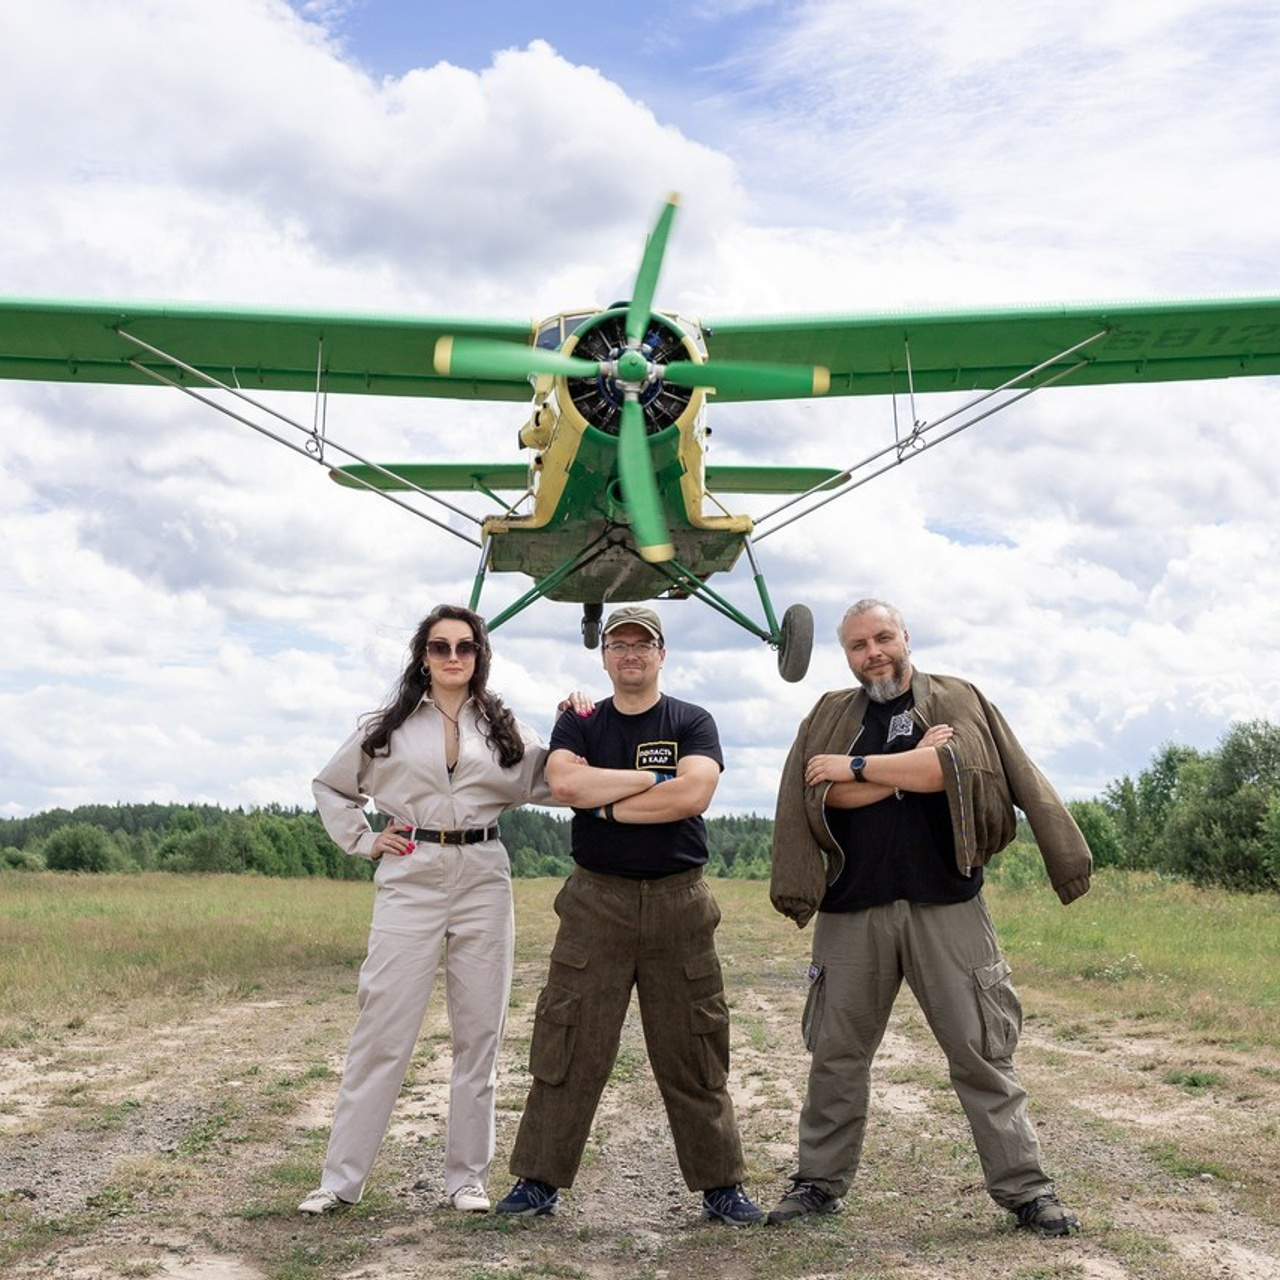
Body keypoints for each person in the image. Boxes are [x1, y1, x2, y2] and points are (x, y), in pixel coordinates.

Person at [768, 599, 1090, 1236]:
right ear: (847, 655)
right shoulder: (830, 714)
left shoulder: (955, 700)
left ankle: (1027, 1190)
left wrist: (859, 769)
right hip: (851, 908)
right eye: (858, 645)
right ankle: (817, 1184)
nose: (874, 653)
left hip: (948, 902)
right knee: (836, 1053)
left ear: (906, 637)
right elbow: (815, 789)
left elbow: (957, 770)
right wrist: (904, 772)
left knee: (981, 1052)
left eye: (883, 637)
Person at [493, 605, 764, 1226]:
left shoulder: (693, 719)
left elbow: (692, 794)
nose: (631, 654)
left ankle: (722, 1185)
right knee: (570, 1038)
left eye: (644, 644)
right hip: (597, 901)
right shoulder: (581, 721)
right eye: (619, 644)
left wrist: (607, 803)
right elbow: (565, 787)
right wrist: (649, 782)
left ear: (663, 653)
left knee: (694, 1045)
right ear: (605, 656)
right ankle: (538, 1181)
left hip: (680, 902)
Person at [298, 604, 553, 1217]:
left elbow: (553, 779)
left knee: (478, 1035)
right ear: (423, 656)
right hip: (410, 872)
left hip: (483, 875)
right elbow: (332, 786)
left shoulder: (503, 731)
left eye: (465, 647)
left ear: (479, 657)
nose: (453, 658)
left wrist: (580, 722)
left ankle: (467, 1180)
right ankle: (340, 1181)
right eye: (440, 648)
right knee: (382, 1031)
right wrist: (364, 840)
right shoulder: (386, 727)